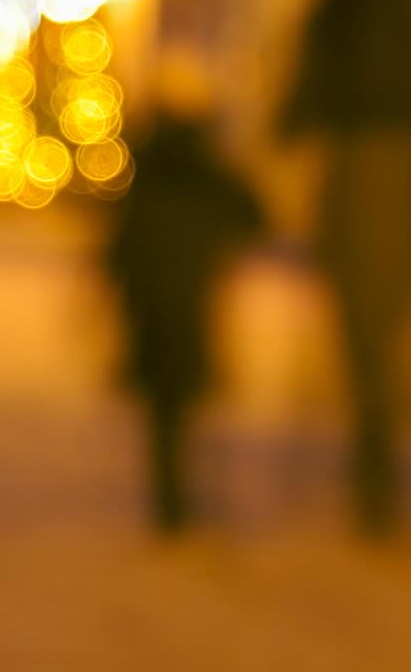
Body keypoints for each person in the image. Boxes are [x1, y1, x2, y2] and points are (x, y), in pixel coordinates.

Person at [280, 0, 411, 536]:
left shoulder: (337, 15)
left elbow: (298, 100)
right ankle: (380, 466)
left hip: (357, 182)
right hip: (410, 185)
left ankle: (373, 463)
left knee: (361, 334)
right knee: (390, 329)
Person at [107, 63, 262, 535]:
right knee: (181, 407)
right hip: (192, 306)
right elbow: (255, 215)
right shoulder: (206, 173)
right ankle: (177, 503)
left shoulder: (146, 172)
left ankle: (170, 503)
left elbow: (119, 250)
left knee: (164, 413)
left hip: (152, 310)